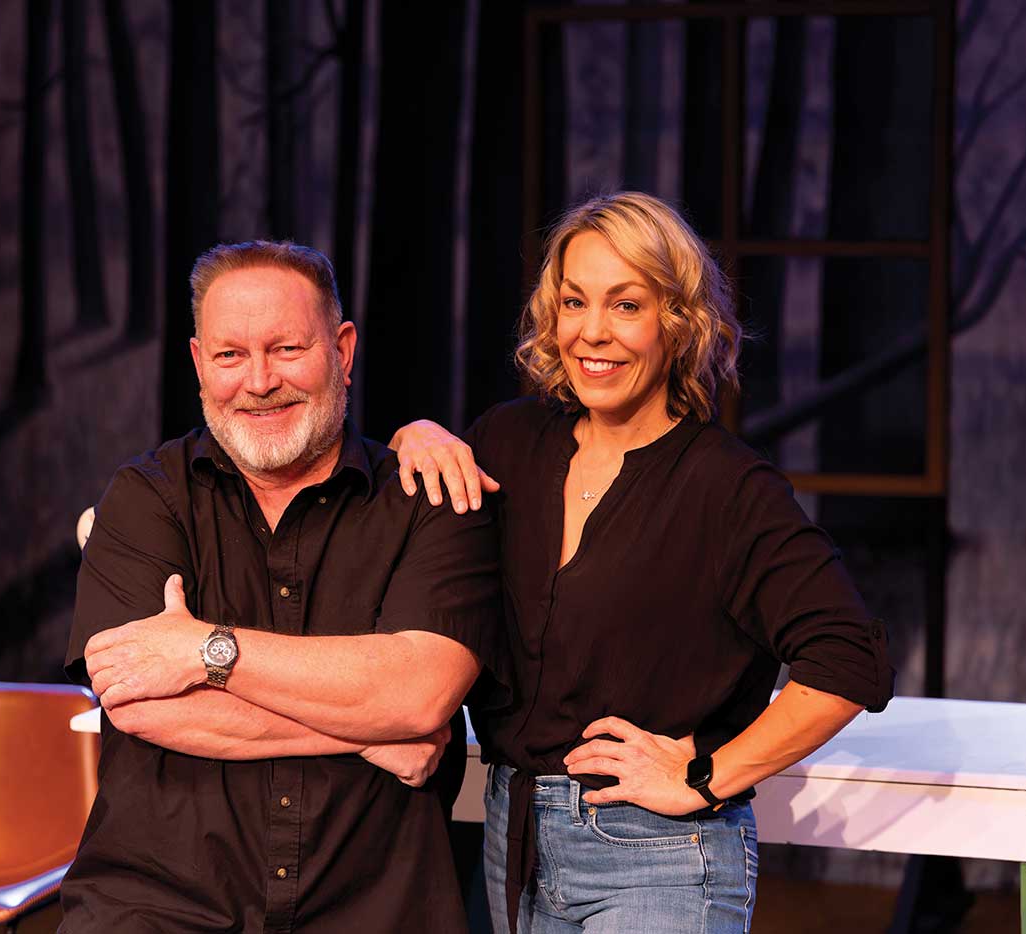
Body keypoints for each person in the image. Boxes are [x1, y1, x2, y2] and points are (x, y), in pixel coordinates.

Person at [390, 192, 894, 933]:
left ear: (678, 321)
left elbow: (850, 659)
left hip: (658, 857)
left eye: (626, 305)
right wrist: (414, 433)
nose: (592, 332)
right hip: (514, 842)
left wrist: (704, 776)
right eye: (573, 301)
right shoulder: (508, 444)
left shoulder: (726, 487)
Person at [60, 240, 504, 934]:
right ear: (200, 364)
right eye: (231, 355)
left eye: (286, 349)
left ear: (343, 351)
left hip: (374, 913)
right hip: (157, 910)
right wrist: (363, 730)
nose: (260, 381)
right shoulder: (146, 498)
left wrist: (205, 651)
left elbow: (419, 696)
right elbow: (137, 704)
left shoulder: (430, 499)